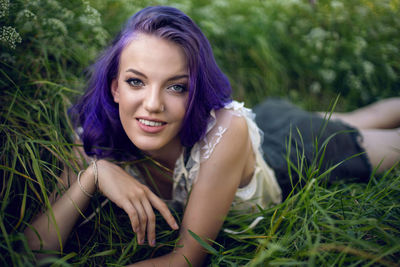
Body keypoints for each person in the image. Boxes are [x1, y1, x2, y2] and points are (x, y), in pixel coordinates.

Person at [24, 6, 400, 266]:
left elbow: (184, 259)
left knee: (370, 136)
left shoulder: (227, 130)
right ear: (115, 88)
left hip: (293, 149)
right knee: (354, 117)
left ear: (196, 92)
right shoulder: (93, 138)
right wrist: (93, 174)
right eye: (136, 81)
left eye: (176, 87)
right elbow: (30, 252)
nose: (152, 104)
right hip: (263, 127)